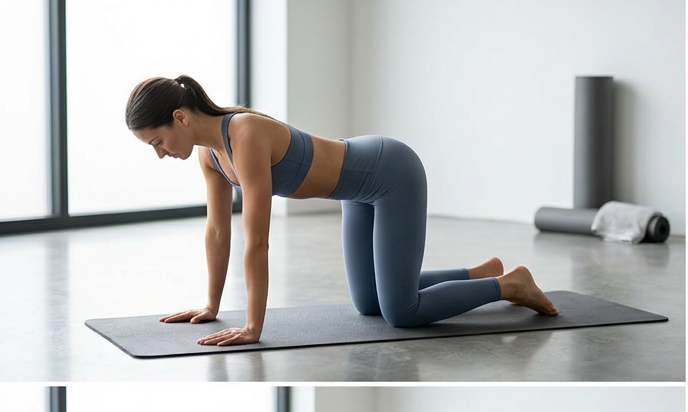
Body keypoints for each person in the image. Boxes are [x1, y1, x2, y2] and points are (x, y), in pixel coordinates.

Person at [125, 75, 560, 347]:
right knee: (369, 303)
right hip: (357, 193)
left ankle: (508, 285)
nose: (160, 154)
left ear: (179, 117)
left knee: (401, 313)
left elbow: (257, 240)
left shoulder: (245, 133)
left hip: (390, 173)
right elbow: (218, 234)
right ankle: (479, 272)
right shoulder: (211, 156)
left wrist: (254, 327)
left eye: (156, 142)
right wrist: (211, 304)